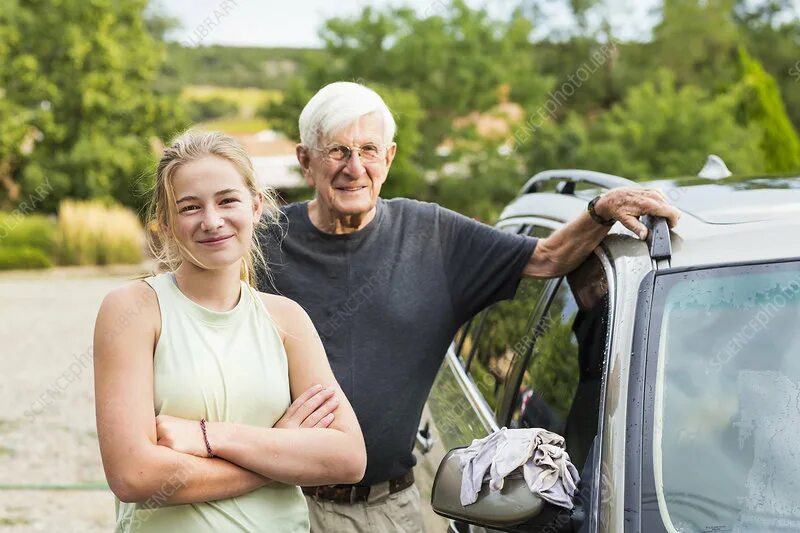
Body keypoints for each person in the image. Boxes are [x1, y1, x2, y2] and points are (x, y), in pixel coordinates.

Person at [257, 82, 681, 532]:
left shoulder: (433, 236)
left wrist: (600, 211)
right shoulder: (260, 245)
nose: (354, 167)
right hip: (277, 503)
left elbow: (547, 258)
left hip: (386, 511)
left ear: (389, 157)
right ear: (306, 160)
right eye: (338, 151)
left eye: (368, 149)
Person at [93, 131, 366, 532]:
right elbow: (133, 476)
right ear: (166, 224)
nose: (211, 220)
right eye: (189, 207)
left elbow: (348, 457)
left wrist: (209, 437)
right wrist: (280, 453)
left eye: (227, 200)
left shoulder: (287, 320)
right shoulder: (134, 310)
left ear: (256, 207)